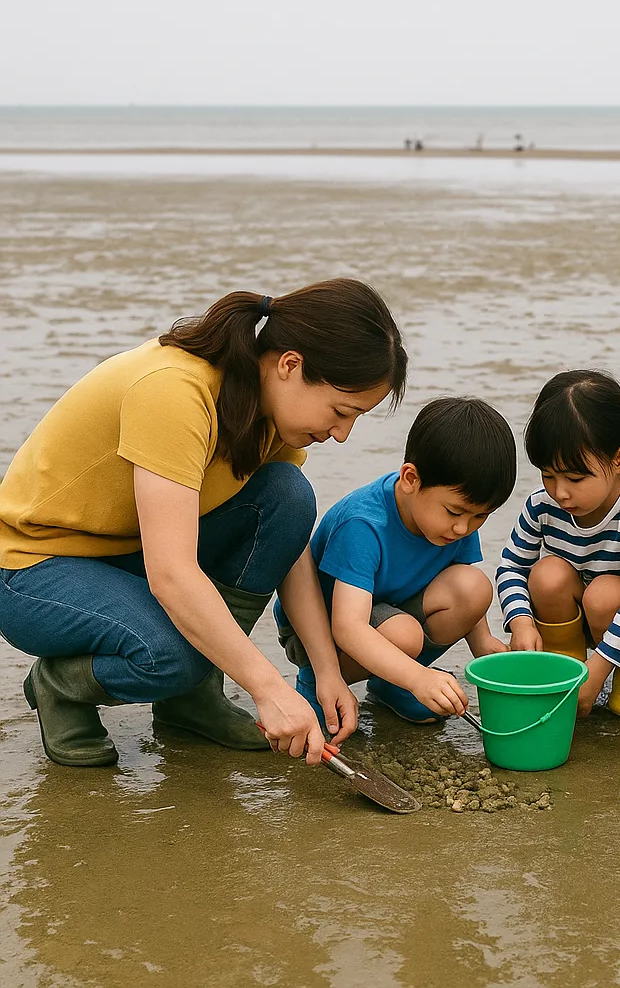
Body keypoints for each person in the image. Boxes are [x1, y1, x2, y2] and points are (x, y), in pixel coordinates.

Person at [0, 279, 407, 767]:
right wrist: (268, 688)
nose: (342, 434)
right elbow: (171, 574)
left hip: (124, 552)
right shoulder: (175, 392)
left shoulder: (268, 412)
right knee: (174, 655)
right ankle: (60, 687)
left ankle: (190, 702)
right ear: (290, 365)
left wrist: (326, 670)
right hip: (32, 568)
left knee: (287, 497)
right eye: (342, 411)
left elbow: (287, 546)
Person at [278, 397, 515, 727]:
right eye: (455, 512)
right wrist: (420, 678)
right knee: (405, 635)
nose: (463, 528)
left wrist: (484, 644)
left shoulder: (457, 518)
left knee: (472, 588)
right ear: (411, 479)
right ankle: (318, 683)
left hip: (391, 610)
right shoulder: (364, 524)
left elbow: (458, 581)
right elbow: (348, 627)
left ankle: (391, 684)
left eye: (480, 516)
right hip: (322, 633)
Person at [496, 371, 620, 719]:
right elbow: (511, 567)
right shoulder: (543, 505)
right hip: (572, 616)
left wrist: (598, 672)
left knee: (605, 594)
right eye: (547, 475)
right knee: (547, 575)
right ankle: (566, 666)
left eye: (575, 478)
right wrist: (521, 622)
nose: (560, 492)